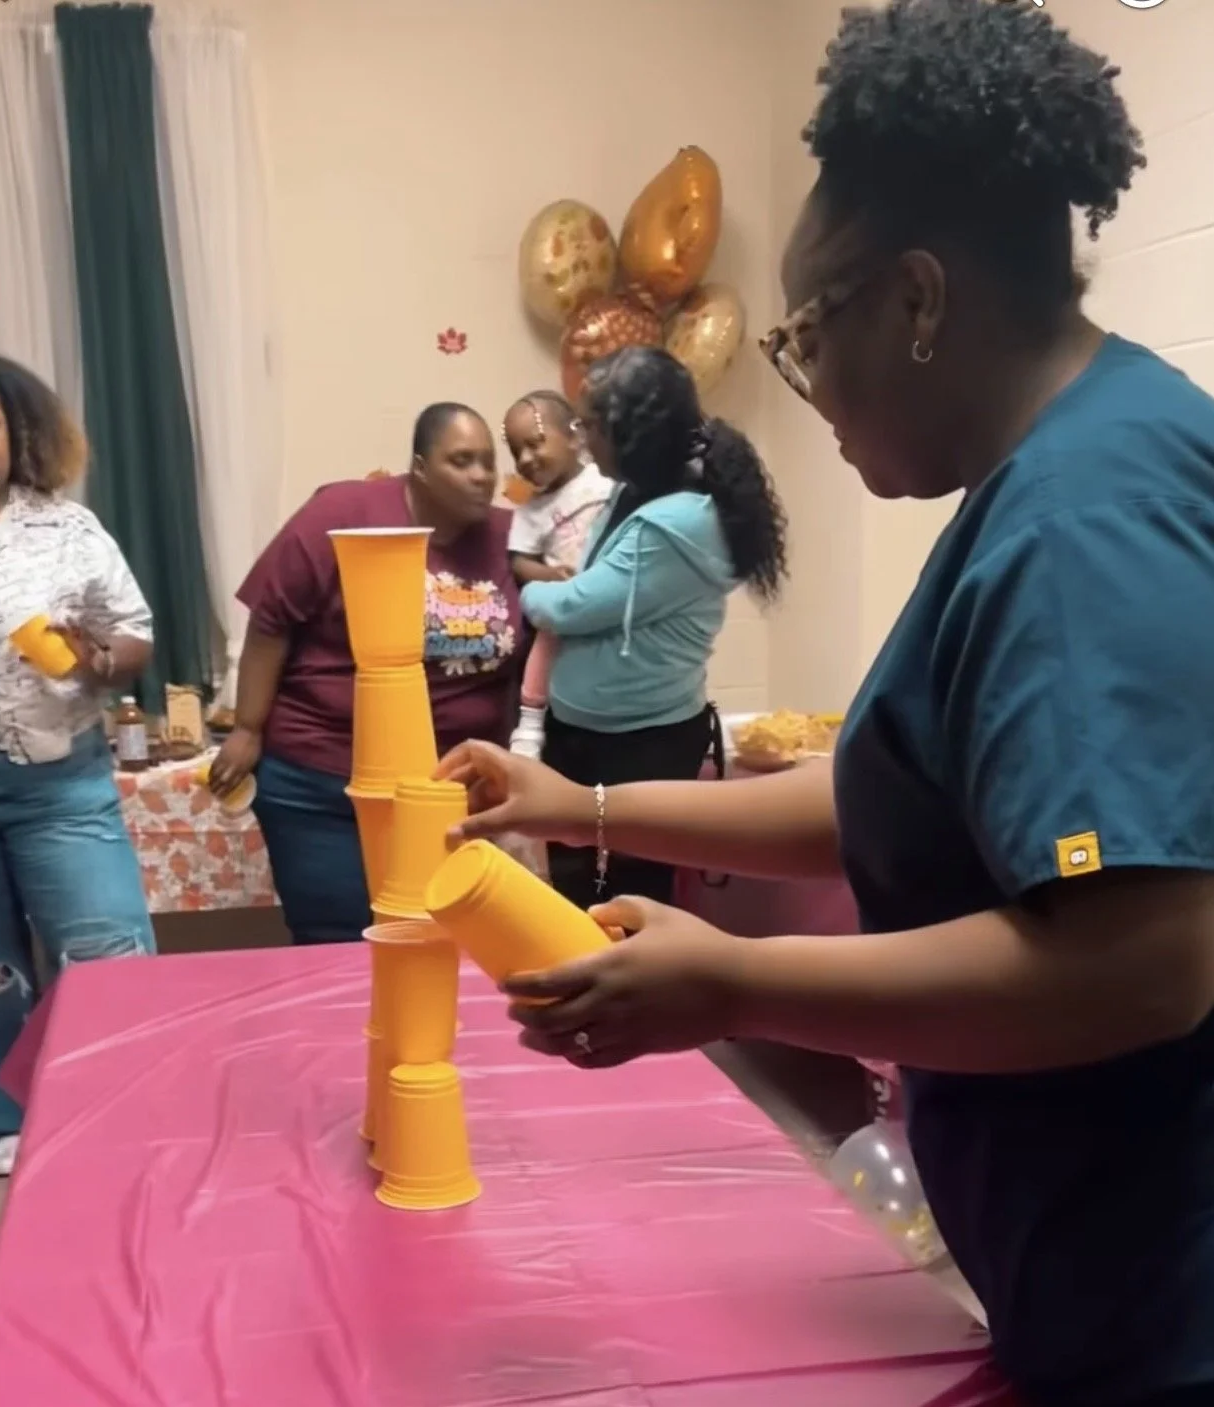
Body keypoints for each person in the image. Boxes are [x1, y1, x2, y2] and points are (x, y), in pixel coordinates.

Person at [437, 4, 1214, 1404]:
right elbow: (895, 787)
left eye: (805, 332)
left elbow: (1141, 960)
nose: (799, 377)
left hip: (1162, 1298)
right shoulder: (1060, 469)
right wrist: (579, 796)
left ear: (916, 301)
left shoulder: (1087, 517)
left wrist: (725, 981)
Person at [0, 353, 156, 1177]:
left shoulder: (67, 528)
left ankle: (122, 1100)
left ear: (15, 433)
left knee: (109, 945)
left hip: (59, 783)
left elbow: (134, 633)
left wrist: (98, 658)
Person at [211, 403, 523, 944]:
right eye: (461, 461)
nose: (480, 477)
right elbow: (270, 622)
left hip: (449, 790)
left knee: (443, 940)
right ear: (420, 468)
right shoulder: (345, 513)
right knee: (339, 946)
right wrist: (248, 727)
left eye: (487, 463)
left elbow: (555, 629)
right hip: (323, 781)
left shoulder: (512, 537)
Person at [519, 346, 786, 909]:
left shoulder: (676, 522)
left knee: (622, 907)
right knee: (580, 900)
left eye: (589, 424)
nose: (581, 437)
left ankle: (620, 997)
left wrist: (530, 588)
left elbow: (572, 606)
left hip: (636, 748)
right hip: (595, 738)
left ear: (630, 432)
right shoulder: (637, 491)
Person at [503, 389, 613, 759]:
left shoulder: (603, 479)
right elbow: (519, 561)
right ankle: (531, 721)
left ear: (574, 435)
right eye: (517, 451)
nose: (526, 459)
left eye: (535, 443)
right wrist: (550, 576)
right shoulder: (531, 509)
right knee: (546, 644)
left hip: (610, 590)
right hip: (565, 599)